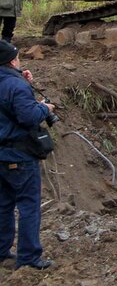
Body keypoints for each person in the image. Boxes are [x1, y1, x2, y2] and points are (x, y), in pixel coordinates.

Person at [0, 40, 54, 270]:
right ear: (12, 61)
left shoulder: (15, 82)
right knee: (29, 205)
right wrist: (44, 108)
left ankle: (2, 253)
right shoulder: (16, 86)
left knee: (3, 205)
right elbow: (28, 117)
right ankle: (29, 257)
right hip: (19, 155)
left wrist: (22, 81)